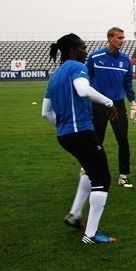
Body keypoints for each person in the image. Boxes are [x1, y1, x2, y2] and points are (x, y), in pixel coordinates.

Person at [41, 33, 119, 244]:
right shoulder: (77, 67)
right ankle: (91, 234)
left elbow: (45, 112)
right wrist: (109, 103)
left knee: (90, 171)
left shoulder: (55, 75)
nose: (87, 51)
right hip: (81, 132)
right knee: (102, 179)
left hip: (64, 135)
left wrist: (65, 124)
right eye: (83, 48)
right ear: (73, 50)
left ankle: (75, 215)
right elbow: (83, 91)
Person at [86, 27, 136, 188]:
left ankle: (123, 176)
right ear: (109, 38)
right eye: (119, 38)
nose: (122, 41)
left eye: (123, 38)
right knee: (96, 140)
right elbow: (86, 79)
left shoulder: (125, 60)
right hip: (99, 104)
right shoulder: (95, 57)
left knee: (123, 140)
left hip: (117, 104)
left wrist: (133, 104)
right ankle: (90, 171)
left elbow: (128, 84)